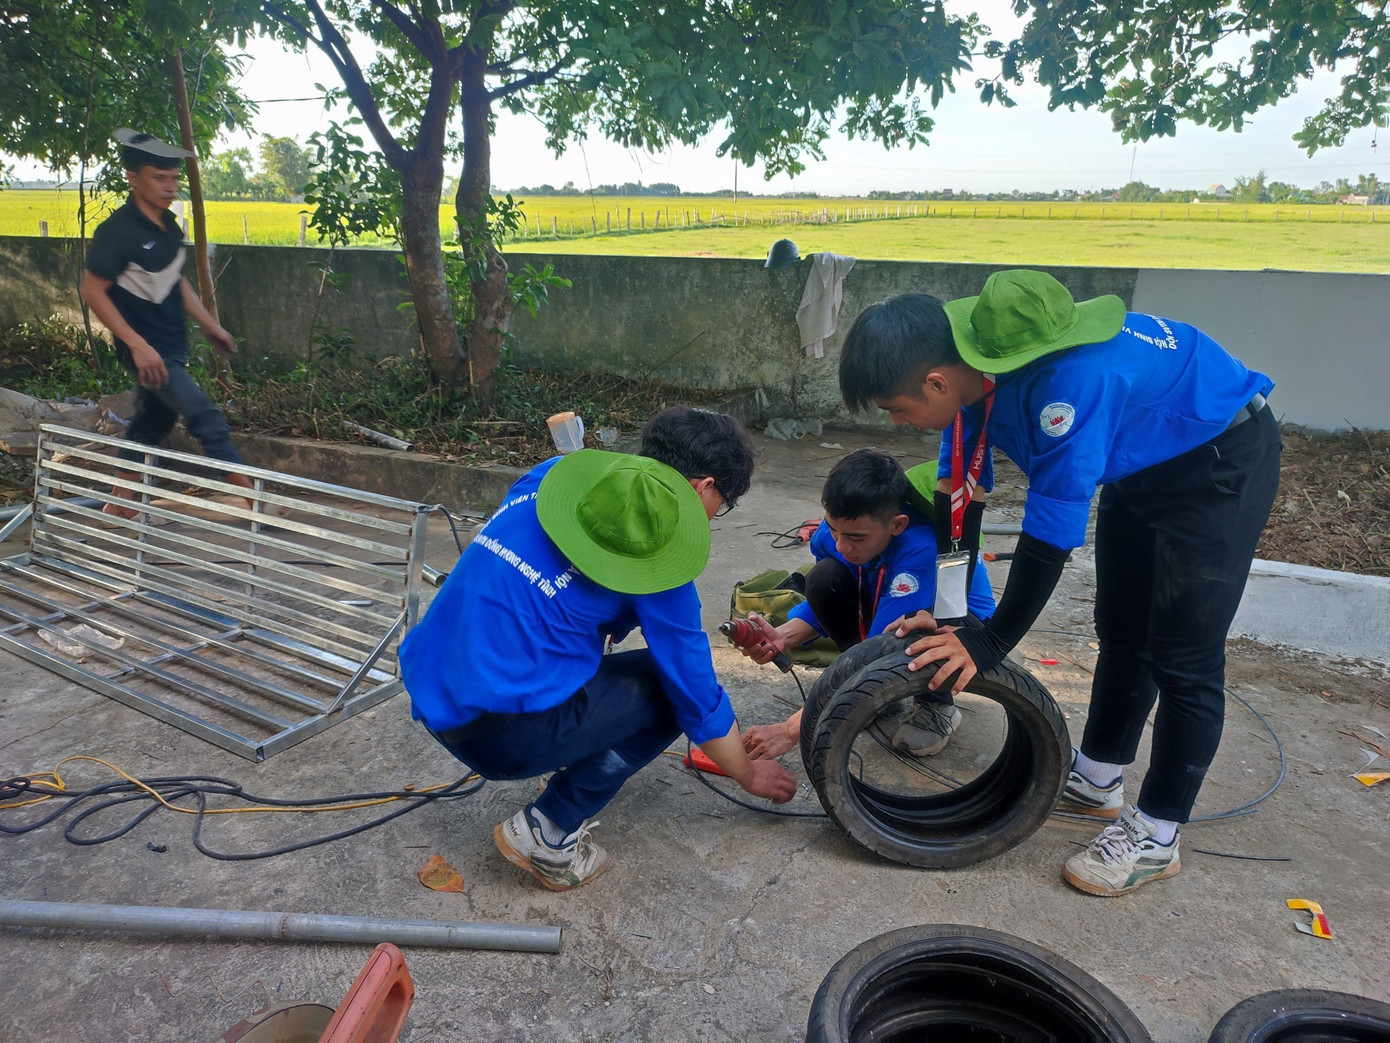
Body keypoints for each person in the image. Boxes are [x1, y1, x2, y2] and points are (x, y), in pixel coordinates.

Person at [837, 270, 1281, 896]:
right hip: (1143, 460)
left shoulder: (1067, 390)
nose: (899, 423)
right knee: (1123, 630)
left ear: (935, 382)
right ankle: (1097, 778)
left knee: (1185, 654)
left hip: (1218, 460)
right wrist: (955, 617)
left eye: (898, 410)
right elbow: (957, 503)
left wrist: (988, 645)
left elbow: (1050, 535)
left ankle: (1157, 834)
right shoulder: (972, 361)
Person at [399, 407, 797, 892]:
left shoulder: (550, 477)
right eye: (723, 502)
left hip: (428, 687)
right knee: (665, 684)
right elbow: (696, 695)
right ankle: (548, 833)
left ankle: (559, 746)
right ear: (701, 488)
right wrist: (747, 772)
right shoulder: (660, 559)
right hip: (493, 738)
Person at [739, 447, 994, 762]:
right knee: (823, 577)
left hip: (961, 626)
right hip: (890, 603)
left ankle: (935, 705)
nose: (842, 546)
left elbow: (884, 645)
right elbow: (842, 588)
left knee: (914, 629)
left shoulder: (921, 548)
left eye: (856, 538)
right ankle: (873, 694)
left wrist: (793, 728)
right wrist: (783, 637)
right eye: (834, 530)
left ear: (897, 525)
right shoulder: (837, 534)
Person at [80, 128, 259, 518]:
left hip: (171, 346)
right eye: (159, 178)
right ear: (134, 178)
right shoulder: (118, 233)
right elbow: (92, 291)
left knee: (151, 422)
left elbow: (173, 280)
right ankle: (255, 500)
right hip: (146, 351)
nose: (169, 187)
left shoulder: (168, 228)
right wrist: (137, 345)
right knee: (204, 416)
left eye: (174, 178)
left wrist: (209, 324)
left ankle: (118, 503)